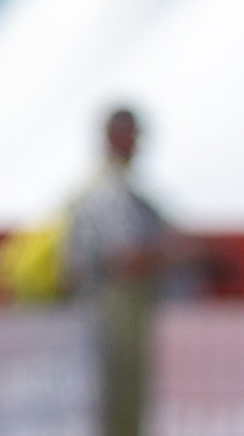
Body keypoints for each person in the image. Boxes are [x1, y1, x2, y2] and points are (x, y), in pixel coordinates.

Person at [61, 107, 177, 296]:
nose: (135, 143)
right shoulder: (109, 191)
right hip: (105, 303)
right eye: (132, 135)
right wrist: (177, 255)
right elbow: (126, 257)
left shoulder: (98, 185)